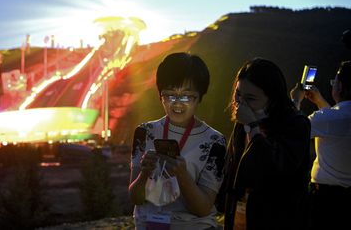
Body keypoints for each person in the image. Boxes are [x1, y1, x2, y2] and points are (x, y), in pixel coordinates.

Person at [129, 52, 227, 230]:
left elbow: (203, 208)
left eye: (187, 96)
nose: (177, 104)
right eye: (170, 95)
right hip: (148, 225)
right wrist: (144, 174)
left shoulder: (214, 141)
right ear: (160, 95)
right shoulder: (145, 132)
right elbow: (135, 198)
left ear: (200, 97)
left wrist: (182, 175)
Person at [221, 58, 311, 230]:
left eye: (251, 98)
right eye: (238, 95)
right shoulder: (242, 123)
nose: (241, 104)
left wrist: (253, 127)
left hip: (278, 219)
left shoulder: (296, 124)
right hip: (240, 217)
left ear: (273, 99)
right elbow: (233, 166)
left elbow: (277, 167)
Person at [290, 60, 351, 229]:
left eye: (334, 81)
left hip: (325, 199)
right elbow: (337, 123)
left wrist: (295, 100)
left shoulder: (325, 118)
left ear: (340, 87)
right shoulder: (331, 118)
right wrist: (320, 101)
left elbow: (293, 130)